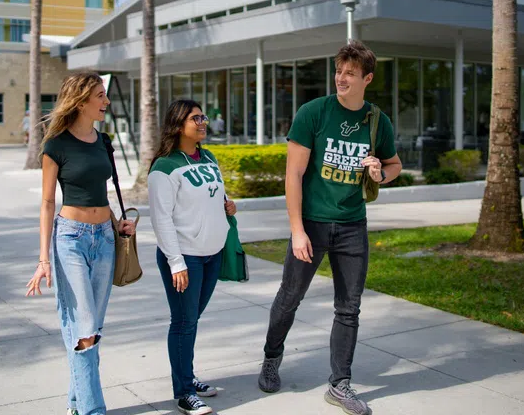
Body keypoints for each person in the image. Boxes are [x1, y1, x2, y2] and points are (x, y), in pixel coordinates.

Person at [258, 41, 402, 415]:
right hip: (312, 223)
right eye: (339, 71)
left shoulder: (377, 121)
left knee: (349, 308)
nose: (341, 78)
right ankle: (272, 358)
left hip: (353, 226)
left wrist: (379, 174)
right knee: (290, 297)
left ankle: (340, 384)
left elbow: (395, 164)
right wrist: (297, 229)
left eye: (350, 73)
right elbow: (294, 174)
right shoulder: (314, 113)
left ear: (366, 78)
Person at [26, 72, 136, 415]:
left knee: (92, 328)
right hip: (70, 238)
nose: (106, 102)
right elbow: (46, 203)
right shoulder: (55, 144)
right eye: (101, 96)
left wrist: (119, 225)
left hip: (104, 237)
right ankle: (92, 410)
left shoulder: (103, 140)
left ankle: (76, 403)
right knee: (84, 327)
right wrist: (43, 259)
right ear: (81, 100)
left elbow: (102, 192)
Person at [148, 100, 238, 415]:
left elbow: (214, 194)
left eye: (202, 117)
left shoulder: (208, 157)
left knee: (191, 321)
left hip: (212, 255)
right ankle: (184, 392)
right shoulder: (164, 167)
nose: (203, 122)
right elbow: (161, 220)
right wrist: (176, 263)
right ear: (178, 125)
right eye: (195, 117)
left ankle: (188, 376)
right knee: (184, 322)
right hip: (185, 258)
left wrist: (228, 205)